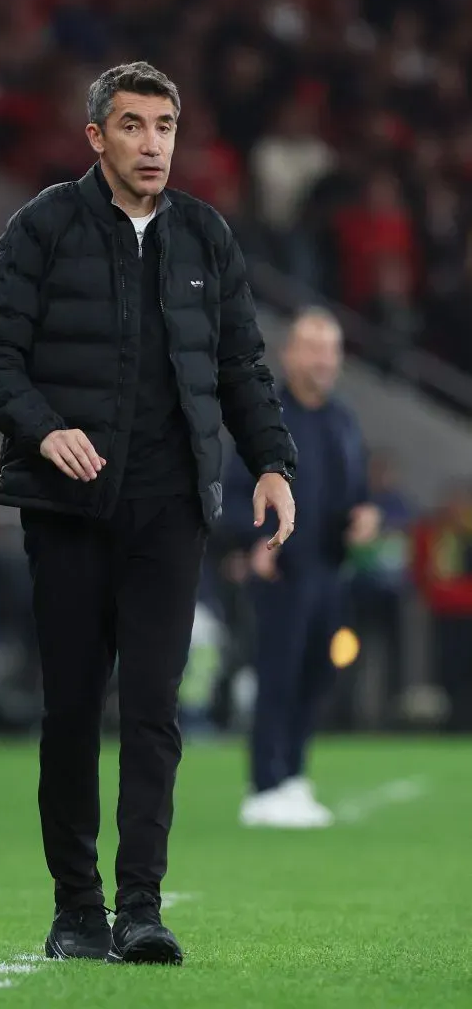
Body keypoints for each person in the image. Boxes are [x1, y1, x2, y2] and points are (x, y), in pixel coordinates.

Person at [0, 61, 297, 964]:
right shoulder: (41, 227)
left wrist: (272, 463)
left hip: (169, 508)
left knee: (153, 711)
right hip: (66, 508)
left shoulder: (205, 236)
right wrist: (45, 430)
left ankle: (140, 909)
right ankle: (77, 911)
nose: (152, 144)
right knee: (72, 710)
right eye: (133, 126)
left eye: (165, 127)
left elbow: (240, 366)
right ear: (96, 136)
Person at [220, 309, 380, 828]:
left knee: (317, 674)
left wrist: (365, 517)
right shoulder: (266, 418)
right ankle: (264, 785)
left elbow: (356, 494)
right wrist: (254, 542)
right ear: (289, 354)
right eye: (313, 348)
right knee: (277, 675)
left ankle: (291, 775)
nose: (323, 360)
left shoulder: (343, 421)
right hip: (281, 571)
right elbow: (233, 494)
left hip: (329, 572)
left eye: (331, 349)